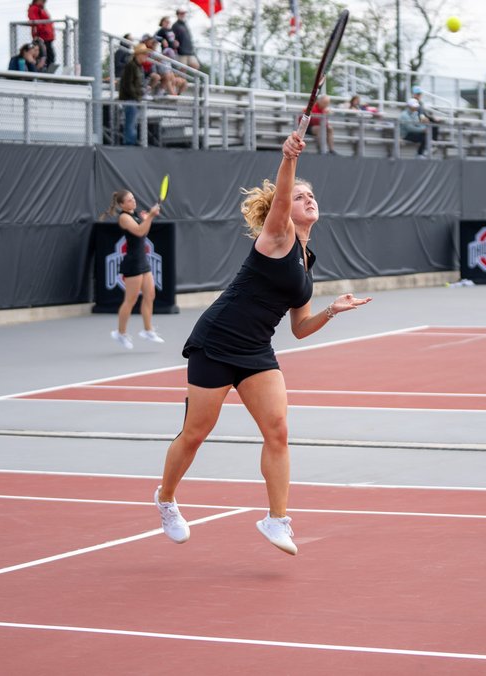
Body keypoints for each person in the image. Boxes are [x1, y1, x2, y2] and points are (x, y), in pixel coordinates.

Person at [153, 131, 372, 556]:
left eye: (312, 195)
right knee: (196, 433)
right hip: (216, 341)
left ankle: (276, 519)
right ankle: (165, 498)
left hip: (256, 351)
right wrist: (288, 159)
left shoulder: (306, 262)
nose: (308, 199)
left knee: (278, 431)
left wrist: (331, 311)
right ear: (281, 212)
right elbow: (284, 190)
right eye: (299, 196)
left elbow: (299, 327)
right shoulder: (277, 237)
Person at [100, 189, 165, 349]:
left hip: (143, 261)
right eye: (129, 200)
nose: (133, 201)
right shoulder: (124, 217)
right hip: (132, 263)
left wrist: (146, 218)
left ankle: (148, 330)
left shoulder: (135, 214)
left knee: (150, 295)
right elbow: (139, 231)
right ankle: (120, 333)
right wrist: (149, 216)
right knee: (131, 299)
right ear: (122, 204)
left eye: (133, 198)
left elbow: (144, 232)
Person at [118, 44, 146, 145]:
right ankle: (129, 144)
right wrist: (136, 96)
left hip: (134, 99)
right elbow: (128, 84)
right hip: (130, 99)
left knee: (132, 124)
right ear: (138, 55)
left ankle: (130, 143)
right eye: (144, 54)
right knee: (130, 125)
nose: (146, 56)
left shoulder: (138, 67)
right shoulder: (131, 66)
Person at [28, 0, 56, 71]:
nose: (44, 2)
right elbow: (34, 21)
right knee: (44, 57)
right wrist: (41, 31)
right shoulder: (34, 8)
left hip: (47, 37)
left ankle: (49, 73)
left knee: (50, 57)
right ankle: (44, 73)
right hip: (41, 37)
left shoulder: (41, 9)